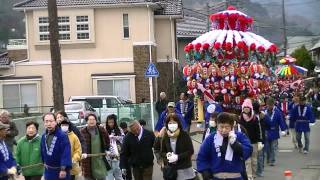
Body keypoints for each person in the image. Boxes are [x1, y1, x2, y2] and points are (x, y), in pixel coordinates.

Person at [197, 112, 252, 180]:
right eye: (221, 127)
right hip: (216, 177)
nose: (224, 130)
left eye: (227, 127)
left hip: (236, 176)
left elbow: (248, 150)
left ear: (231, 126)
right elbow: (202, 156)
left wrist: (235, 144)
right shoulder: (211, 138)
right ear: (217, 126)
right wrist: (205, 171)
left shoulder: (239, 136)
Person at [40, 112, 72, 180]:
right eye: (46, 121)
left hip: (61, 172)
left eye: (51, 121)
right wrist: (44, 162)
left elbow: (66, 153)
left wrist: (63, 169)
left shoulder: (62, 136)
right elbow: (42, 151)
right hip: (48, 171)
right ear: (44, 123)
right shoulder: (43, 136)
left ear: (55, 122)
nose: (49, 124)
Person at [80, 113, 110, 180]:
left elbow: (107, 140)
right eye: (90, 119)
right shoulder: (82, 131)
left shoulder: (101, 130)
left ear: (96, 121)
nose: (92, 121)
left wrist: (107, 149)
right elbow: (81, 143)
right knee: (88, 177)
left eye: (93, 119)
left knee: (102, 177)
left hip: (99, 158)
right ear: (87, 121)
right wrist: (83, 152)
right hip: (87, 159)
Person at [239, 99, 263, 180]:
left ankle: (253, 174)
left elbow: (258, 130)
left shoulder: (254, 118)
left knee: (254, 161)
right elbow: (239, 130)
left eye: (247, 107)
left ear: (250, 108)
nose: (246, 109)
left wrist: (259, 141)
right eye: (244, 107)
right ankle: (249, 176)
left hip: (254, 142)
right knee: (247, 161)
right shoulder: (240, 118)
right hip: (244, 143)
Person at [264, 98, 287, 166]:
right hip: (266, 131)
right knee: (267, 147)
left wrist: (283, 129)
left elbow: (281, 121)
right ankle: (268, 159)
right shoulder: (264, 111)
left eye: (271, 105)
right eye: (268, 105)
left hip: (274, 131)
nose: (269, 107)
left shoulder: (277, 112)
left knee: (273, 147)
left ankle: (272, 160)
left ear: (273, 105)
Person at [105, 114, 124, 180]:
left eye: (112, 122)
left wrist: (115, 137)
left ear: (115, 122)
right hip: (107, 154)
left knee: (117, 171)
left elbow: (123, 138)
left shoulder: (119, 129)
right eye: (109, 122)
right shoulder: (104, 130)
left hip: (117, 154)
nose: (110, 124)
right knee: (109, 172)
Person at [252, 101, 266, 177]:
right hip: (261, 137)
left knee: (254, 156)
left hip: (253, 138)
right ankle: (260, 171)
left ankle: (255, 171)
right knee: (260, 156)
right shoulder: (263, 115)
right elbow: (268, 124)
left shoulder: (250, 117)